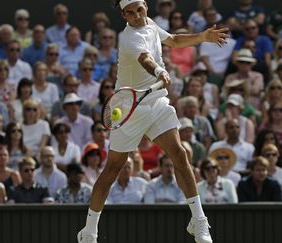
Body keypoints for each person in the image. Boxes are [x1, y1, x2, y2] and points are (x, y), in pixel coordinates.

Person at [77, 1, 228, 242]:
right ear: (123, 14)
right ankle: (89, 231)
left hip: (156, 102)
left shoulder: (150, 24)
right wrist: (159, 71)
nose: (137, 16)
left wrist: (203, 36)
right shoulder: (128, 38)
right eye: (130, 12)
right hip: (129, 108)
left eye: (140, 9)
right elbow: (145, 59)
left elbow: (175, 41)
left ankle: (199, 221)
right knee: (113, 169)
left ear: (146, 6)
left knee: (179, 154)